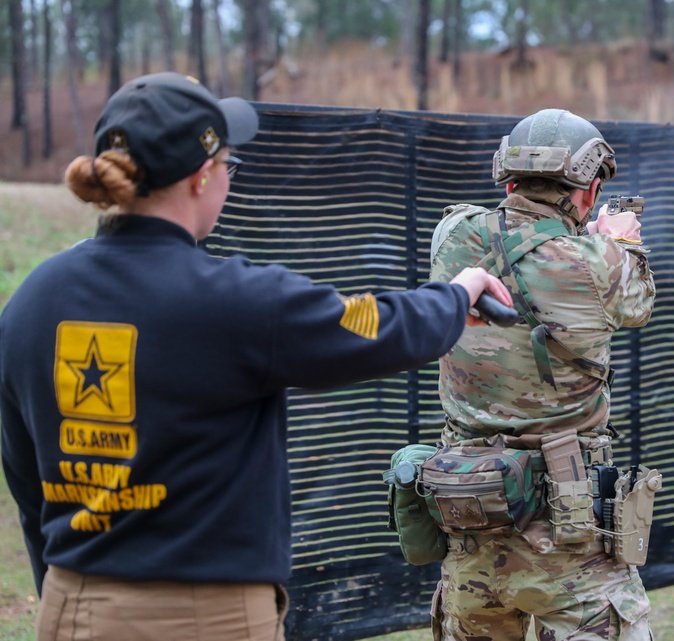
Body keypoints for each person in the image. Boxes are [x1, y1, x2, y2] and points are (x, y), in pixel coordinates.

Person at [0, 71, 512, 641]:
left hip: (71, 607)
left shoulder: (30, 302)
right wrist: (457, 292)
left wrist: (67, 589)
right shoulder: (237, 300)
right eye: (228, 167)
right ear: (201, 178)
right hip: (205, 616)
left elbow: (26, 482)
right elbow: (376, 328)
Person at [427, 108, 657, 640]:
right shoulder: (601, 262)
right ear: (590, 190)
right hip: (570, 535)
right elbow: (637, 302)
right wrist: (620, 241)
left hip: (470, 518)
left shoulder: (454, 237)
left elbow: (509, 240)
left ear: (507, 178)